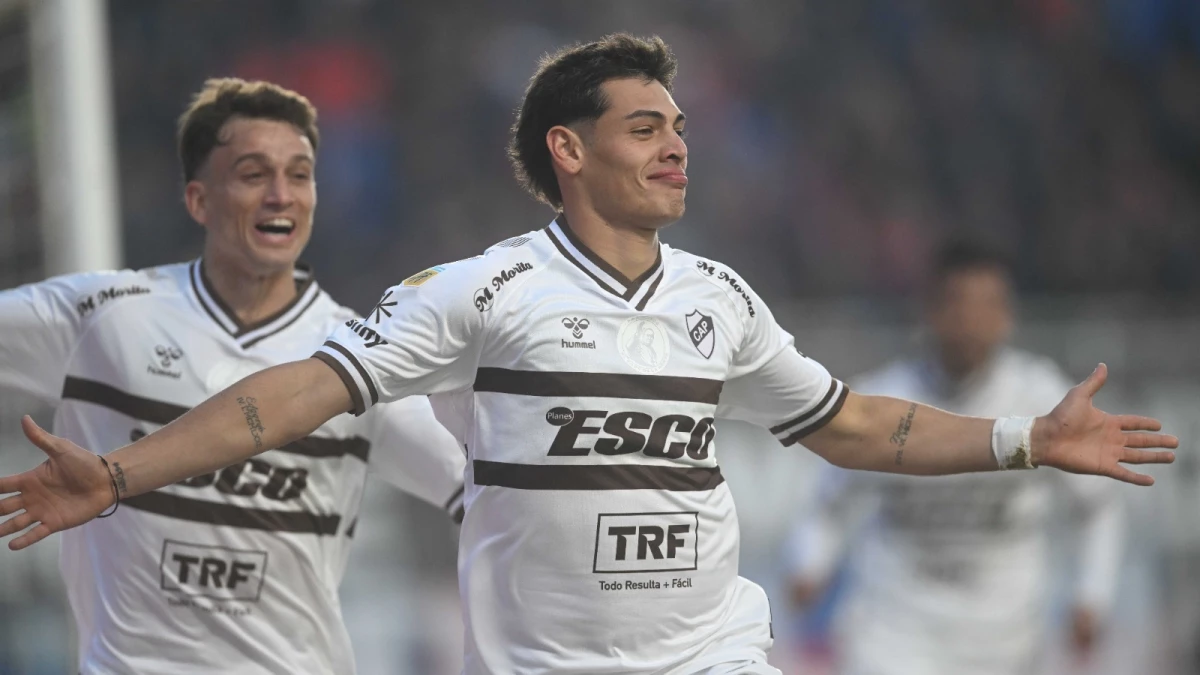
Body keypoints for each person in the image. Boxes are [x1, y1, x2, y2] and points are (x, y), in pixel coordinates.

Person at [0, 36, 1177, 675]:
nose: (677, 146)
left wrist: (1028, 441)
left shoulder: (719, 297)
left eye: (680, 128)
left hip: (710, 647)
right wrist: (117, 475)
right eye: (646, 126)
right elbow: (290, 395)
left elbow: (857, 423)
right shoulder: (481, 291)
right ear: (570, 148)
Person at [0, 78, 466, 675]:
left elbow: (489, 492)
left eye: (299, 175)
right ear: (199, 200)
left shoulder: (360, 357)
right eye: (253, 175)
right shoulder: (101, 317)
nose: (281, 195)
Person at [785, 238, 1126, 675]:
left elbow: (1097, 507)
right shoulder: (884, 397)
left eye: (988, 306)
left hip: (1008, 636)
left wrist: (1092, 594)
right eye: (959, 304)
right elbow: (828, 500)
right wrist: (809, 562)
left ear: (1008, 315)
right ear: (930, 310)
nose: (973, 321)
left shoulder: (1043, 397)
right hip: (893, 629)